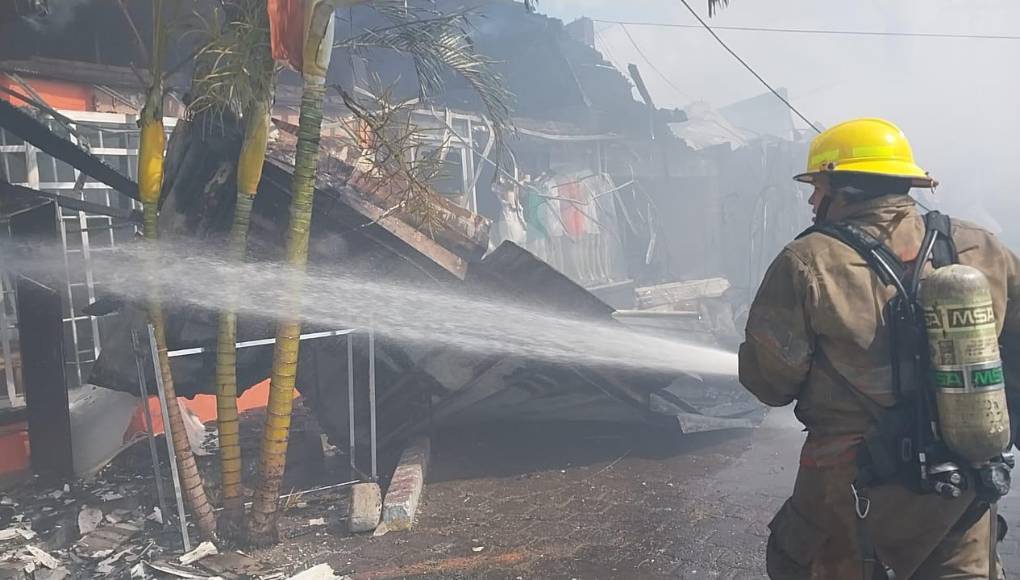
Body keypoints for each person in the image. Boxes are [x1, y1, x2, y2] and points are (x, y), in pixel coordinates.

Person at [739, 117, 1019, 579]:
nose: (812, 199)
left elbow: (770, 383)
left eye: (819, 185)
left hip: (849, 494)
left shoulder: (807, 262)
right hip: (959, 489)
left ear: (844, 188)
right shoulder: (978, 246)